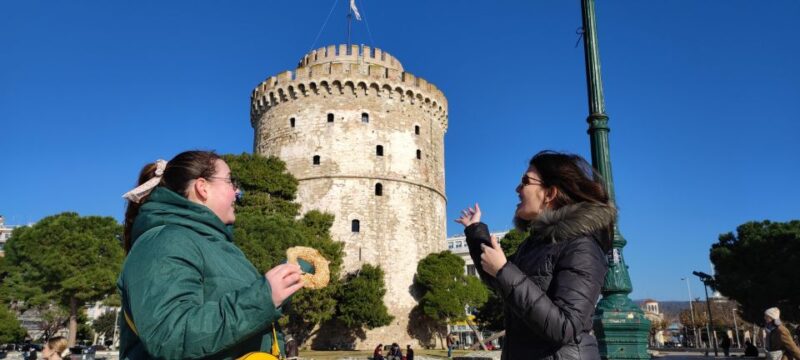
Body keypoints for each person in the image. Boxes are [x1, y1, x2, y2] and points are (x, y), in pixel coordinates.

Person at [118, 151, 305, 359]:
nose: (237, 191)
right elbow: (169, 336)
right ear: (202, 187)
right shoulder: (162, 242)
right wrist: (263, 298)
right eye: (230, 181)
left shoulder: (220, 248)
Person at [456, 150, 614, 360]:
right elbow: (497, 278)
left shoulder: (582, 247)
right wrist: (476, 233)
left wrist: (504, 270)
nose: (517, 189)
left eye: (525, 181)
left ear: (549, 194)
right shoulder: (533, 246)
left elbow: (565, 327)